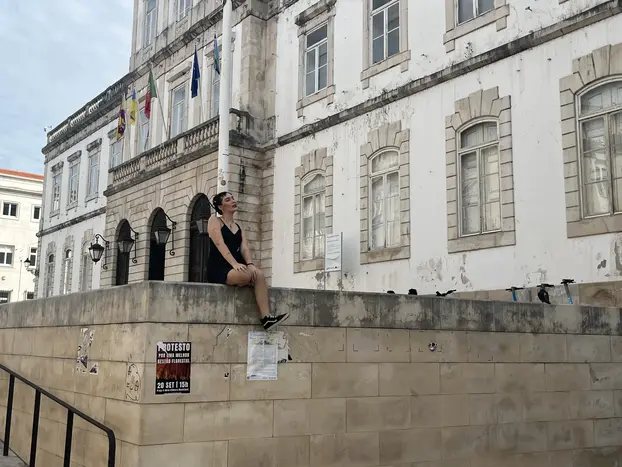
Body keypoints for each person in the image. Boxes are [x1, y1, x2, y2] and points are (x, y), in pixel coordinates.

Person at [207, 192, 289, 330]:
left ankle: (266, 318)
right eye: (228, 200)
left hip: (238, 266)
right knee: (246, 275)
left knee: (259, 274)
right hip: (220, 267)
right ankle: (242, 281)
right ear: (220, 206)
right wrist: (234, 264)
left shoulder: (238, 226)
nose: (233, 201)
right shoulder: (214, 220)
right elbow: (219, 243)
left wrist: (250, 264)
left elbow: (244, 248)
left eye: (233, 198)